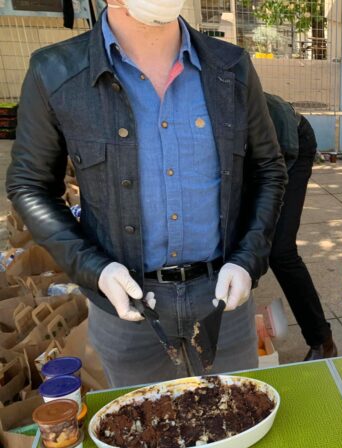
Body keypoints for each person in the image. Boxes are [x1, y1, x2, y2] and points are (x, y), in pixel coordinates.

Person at [6, 0, 286, 386]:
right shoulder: (55, 73)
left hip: (222, 299)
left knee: (236, 423)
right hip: (126, 308)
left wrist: (247, 257)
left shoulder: (231, 67)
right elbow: (29, 185)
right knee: (148, 434)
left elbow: (268, 168)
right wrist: (94, 268)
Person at [265, 93, 337, 361]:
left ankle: (323, 341)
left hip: (291, 142)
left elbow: (265, 177)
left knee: (279, 251)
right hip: (260, 148)